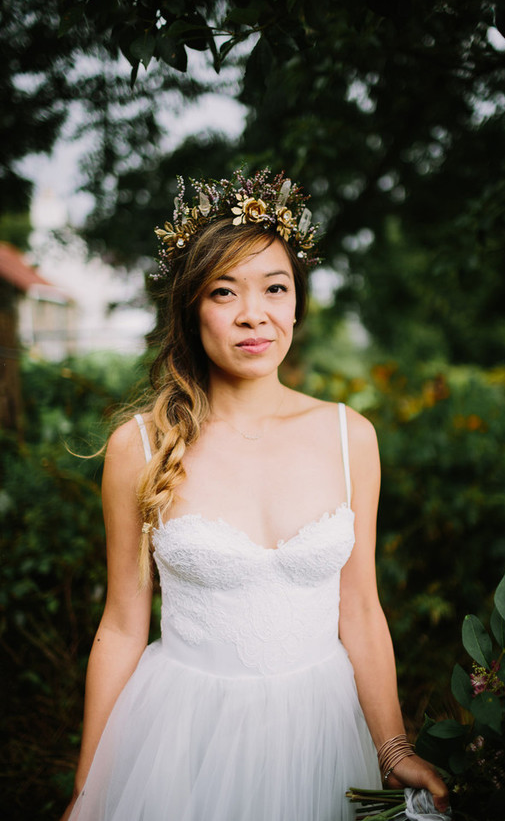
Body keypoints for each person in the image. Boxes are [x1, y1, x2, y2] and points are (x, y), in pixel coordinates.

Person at [62, 169, 448, 821]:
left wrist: (392, 745)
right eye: (224, 291)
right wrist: (87, 790)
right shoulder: (141, 444)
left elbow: (359, 609)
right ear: (192, 307)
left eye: (275, 287)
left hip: (322, 730)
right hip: (183, 734)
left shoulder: (349, 436)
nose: (254, 314)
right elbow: (123, 626)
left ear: (297, 302)